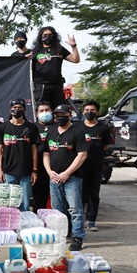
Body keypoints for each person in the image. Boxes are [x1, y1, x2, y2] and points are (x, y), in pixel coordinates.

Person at [43, 104, 88, 251]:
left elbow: (82, 155)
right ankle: (61, 234)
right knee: (57, 210)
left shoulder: (77, 132)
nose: (58, 117)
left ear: (69, 115)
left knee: (75, 209)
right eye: (56, 115)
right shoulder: (51, 131)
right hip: (54, 178)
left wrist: (67, 173)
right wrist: (49, 172)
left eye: (62, 114)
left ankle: (77, 237)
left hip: (72, 178)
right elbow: (46, 154)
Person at [0, 99, 39, 211]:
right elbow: (0, 149)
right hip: (8, 171)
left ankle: (24, 222)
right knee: (8, 204)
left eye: (20, 108)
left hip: (26, 171)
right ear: (10, 110)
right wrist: (0, 170)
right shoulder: (2, 127)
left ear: (25, 110)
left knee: (25, 204)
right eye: (14, 107)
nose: (17, 110)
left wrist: (34, 170)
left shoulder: (31, 127)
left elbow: (34, 149)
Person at [77, 100, 112, 231]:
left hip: (96, 166)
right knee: (80, 195)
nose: (89, 112)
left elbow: (106, 145)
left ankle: (91, 221)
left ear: (97, 112)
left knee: (94, 195)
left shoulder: (103, 128)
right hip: (80, 167)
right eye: (87, 110)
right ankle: (79, 221)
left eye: (92, 110)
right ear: (83, 112)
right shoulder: (77, 127)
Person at [29, 26, 80, 108]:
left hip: (57, 85)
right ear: (40, 36)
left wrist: (74, 46)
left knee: (58, 108)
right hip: (41, 85)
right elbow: (28, 64)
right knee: (41, 108)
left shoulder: (59, 49)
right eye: (45, 35)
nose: (47, 37)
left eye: (50, 35)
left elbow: (75, 60)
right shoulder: (36, 50)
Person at [33, 101, 55, 211]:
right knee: (38, 198)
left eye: (47, 110)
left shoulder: (58, 127)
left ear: (52, 112)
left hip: (55, 168)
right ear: (37, 114)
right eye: (41, 111)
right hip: (38, 168)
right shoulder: (32, 127)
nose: (44, 113)